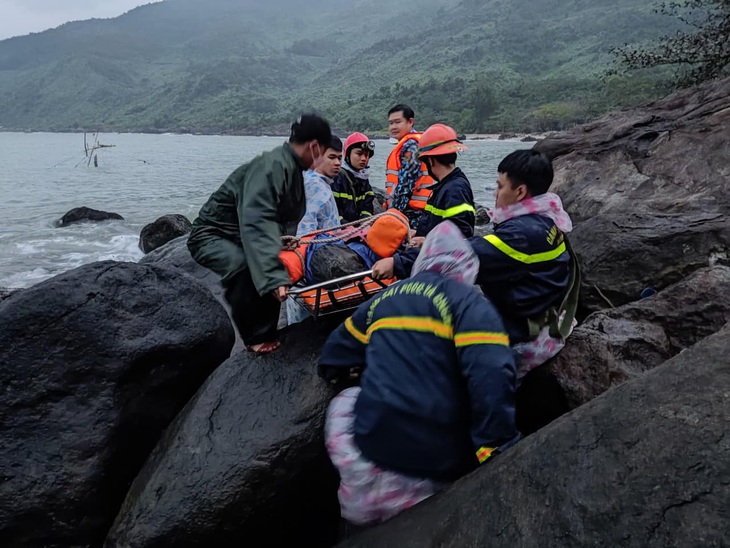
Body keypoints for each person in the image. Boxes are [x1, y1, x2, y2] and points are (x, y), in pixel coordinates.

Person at [319, 221, 519, 528]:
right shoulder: (471, 307)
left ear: (423, 260)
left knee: (348, 399)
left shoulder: (384, 299)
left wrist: (349, 373)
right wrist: (494, 446)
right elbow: (492, 377)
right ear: (466, 267)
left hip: (372, 443)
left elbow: (333, 355)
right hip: (436, 459)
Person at [384, 149, 577, 380]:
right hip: (538, 304)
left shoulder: (520, 235)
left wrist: (397, 263)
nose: (495, 194)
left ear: (520, 191)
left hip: (523, 323)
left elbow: (459, 255)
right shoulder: (547, 219)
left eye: (500, 186)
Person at [187, 113, 332, 354]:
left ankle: (267, 332)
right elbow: (256, 220)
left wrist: (280, 243)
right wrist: (273, 275)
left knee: (278, 261)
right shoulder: (271, 167)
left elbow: (277, 220)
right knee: (243, 266)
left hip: (243, 235)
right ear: (315, 147)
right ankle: (254, 337)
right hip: (212, 235)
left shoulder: (292, 171)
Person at [371, 123, 475, 279]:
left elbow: (458, 238)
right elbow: (441, 228)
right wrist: (420, 235)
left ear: (430, 161)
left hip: (442, 275)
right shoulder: (444, 187)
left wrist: (397, 263)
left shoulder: (455, 190)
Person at [384, 104, 435, 227]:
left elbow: (406, 183)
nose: (393, 127)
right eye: (390, 123)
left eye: (397, 122)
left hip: (413, 214)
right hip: (420, 211)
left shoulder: (411, 146)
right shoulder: (415, 142)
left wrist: (395, 213)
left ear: (410, 121)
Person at [297, 135, 343, 236]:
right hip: (320, 247)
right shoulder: (314, 185)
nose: (337, 163)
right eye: (332, 157)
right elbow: (305, 226)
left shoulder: (323, 182)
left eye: (340, 158)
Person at [331, 133, 376, 223]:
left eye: (366, 155)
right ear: (347, 154)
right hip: (339, 228)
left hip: (357, 229)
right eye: (359, 154)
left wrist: (364, 220)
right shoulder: (337, 177)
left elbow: (368, 205)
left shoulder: (364, 179)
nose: (364, 158)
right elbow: (332, 209)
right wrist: (345, 225)